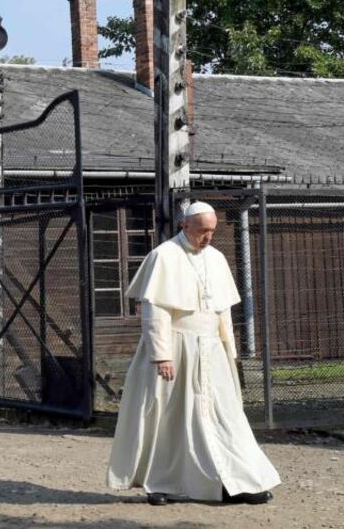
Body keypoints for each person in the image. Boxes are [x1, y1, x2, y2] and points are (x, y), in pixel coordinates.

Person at [107, 202, 280, 506]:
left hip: (211, 348)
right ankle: (162, 484)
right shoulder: (164, 256)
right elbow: (155, 310)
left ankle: (239, 481)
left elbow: (222, 310)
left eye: (212, 230)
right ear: (185, 226)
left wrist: (230, 350)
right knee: (170, 418)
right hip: (176, 348)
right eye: (202, 231)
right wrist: (162, 355)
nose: (208, 237)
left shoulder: (217, 258)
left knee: (226, 416)